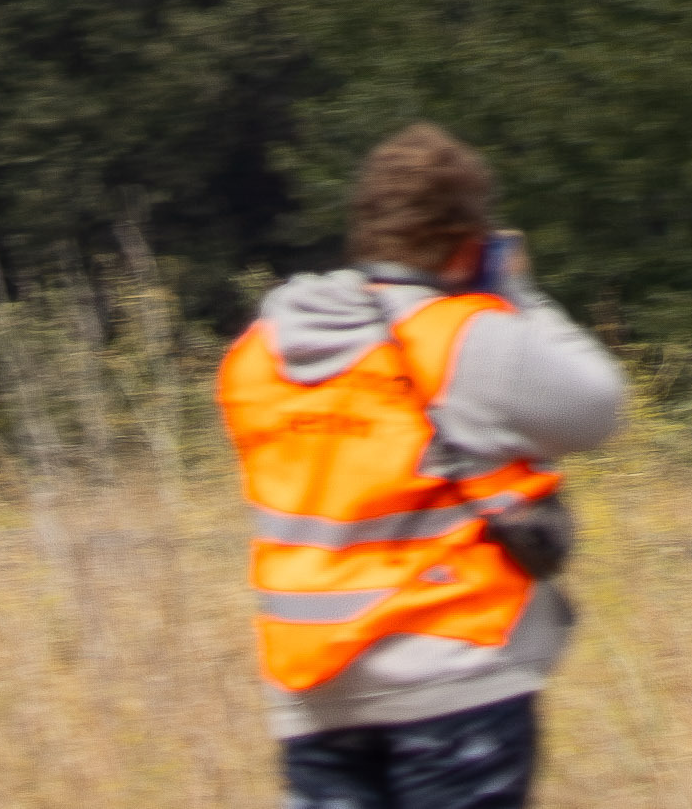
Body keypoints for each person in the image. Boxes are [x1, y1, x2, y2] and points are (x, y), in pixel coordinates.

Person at [219, 126, 631, 809]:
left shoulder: (258, 355)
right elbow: (598, 407)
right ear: (469, 244)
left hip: (314, 690)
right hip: (452, 675)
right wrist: (517, 294)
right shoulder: (465, 337)